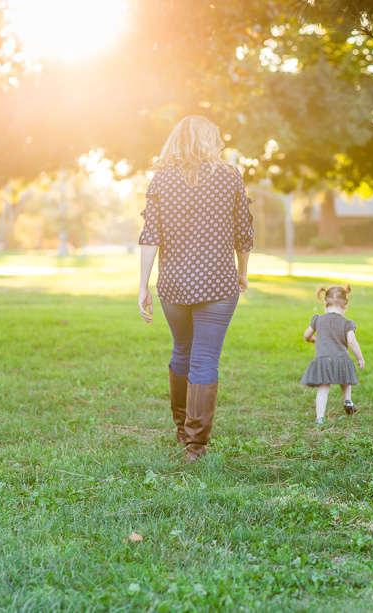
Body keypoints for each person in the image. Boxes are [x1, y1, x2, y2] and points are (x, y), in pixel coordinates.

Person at [138, 115, 254, 462]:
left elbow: (149, 237)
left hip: (174, 284)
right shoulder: (230, 177)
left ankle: (181, 429)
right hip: (219, 283)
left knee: (182, 352)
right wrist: (242, 273)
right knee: (204, 359)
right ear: (210, 140)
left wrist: (142, 285)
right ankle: (196, 446)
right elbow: (244, 233)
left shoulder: (161, 180)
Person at [300, 284, 365, 424]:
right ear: (346, 305)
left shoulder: (317, 320)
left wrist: (310, 339)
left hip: (323, 360)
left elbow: (306, 335)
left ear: (325, 302)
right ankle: (347, 400)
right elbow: (352, 342)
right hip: (342, 359)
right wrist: (359, 358)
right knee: (345, 380)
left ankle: (320, 418)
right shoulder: (347, 323)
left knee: (323, 389)